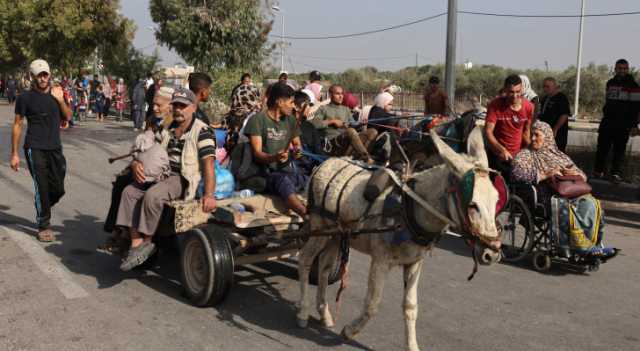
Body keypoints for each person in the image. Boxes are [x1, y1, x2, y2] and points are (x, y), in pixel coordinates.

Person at [116, 88, 217, 270]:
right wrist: (135, 163)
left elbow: (208, 165)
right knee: (129, 192)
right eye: (176, 105)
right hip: (160, 173)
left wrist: (209, 194)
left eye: (183, 106)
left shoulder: (202, 131)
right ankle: (136, 245)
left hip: (181, 178)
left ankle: (148, 241)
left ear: (193, 107)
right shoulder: (167, 127)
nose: (178, 109)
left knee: (153, 196)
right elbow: (144, 149)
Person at [511, 122, 616, 259]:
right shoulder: (525, 155)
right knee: (565, 208)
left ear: (547, 137)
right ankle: (580, 248)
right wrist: (546, 174)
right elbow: (516, 175)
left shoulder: (558, 155)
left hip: (571, 193)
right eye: (532, 135)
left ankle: (593, 244)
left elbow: (582, 176)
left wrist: (573, 172)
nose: (532, 139)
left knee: (591, 204)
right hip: (546, 197)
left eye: (537, 135)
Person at [101, 87, 175, 253]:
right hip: (145, 164)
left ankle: (128, 234)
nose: (154, 108)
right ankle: (120, 231)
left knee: (130, 186)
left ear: (171, 105)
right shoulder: (152, 120)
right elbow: (140, 148)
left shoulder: (177, 124)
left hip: (163, 172)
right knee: (122, 181)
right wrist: (135, 164)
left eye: (159, 105)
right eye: (153, 104)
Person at [10, 59, 72, 242]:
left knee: (58, 188)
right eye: (39, 75)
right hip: (34, 147)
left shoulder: (57, 94)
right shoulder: (25, 98)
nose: (43, 78)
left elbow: (68, 116)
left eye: (45, 74)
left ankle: (43, 204)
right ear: (33, 77)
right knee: (42, 186)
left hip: (55, 147)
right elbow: (17, 125)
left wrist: (60, 100)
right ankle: (44, 224)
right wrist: (14, 154)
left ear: (49, 74)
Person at [243, 82, 307, 216]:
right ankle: (304, 213)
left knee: (306, 179)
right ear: (279, 102)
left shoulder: (290, 121)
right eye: (290, 102)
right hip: (261, 174)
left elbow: (297, 145)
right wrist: (274, 157)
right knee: (282, 181)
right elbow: (257, 154)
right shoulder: (257, 120)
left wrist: (297, 152)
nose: (293, 106)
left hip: (285, 171)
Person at [593, 59, 640, 182]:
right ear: (615, 69)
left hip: (623, 123)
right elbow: (608, 102)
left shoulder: (633, 85)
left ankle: (615, 173)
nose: (622, 71)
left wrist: (635, 125)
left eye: (624, 68)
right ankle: (598, 172)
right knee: (602, 148)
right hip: (608, 122)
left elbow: (636, 107)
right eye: (620, 68)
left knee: (619, 150)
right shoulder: (610, 83)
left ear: (628, 69)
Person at [312, 85, 377, 164]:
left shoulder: (346, 109)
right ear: (330, 95)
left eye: (342, 94)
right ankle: (366, 159)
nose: (341, 96)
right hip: (333, 145)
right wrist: (332, 121)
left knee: (373, 132)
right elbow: (315, 124)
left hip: (347, 142)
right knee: (350, 131)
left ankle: (361, 155)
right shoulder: (323, 109)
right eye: (337, 94)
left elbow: (353, 124)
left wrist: (361, 123)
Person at [485, 74, 533, 178]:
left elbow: (526, 132)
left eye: (518, 92)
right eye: (511, 92)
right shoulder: (495, 105)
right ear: (505, 90)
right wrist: (501, 150)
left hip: (517, 157)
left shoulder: (529, 107)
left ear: (522, 89)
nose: (515, 95)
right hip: (498, 155)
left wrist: (530, 150)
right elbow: (488, 132)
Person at [539, 77, 571, 151]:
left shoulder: (561, 98)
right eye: (544, 86)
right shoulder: (545, 98)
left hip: (557, 134)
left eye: (548, 86)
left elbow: (564, 114)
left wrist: (555, 128)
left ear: (555, 86)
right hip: (545, 132)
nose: (545, 88)